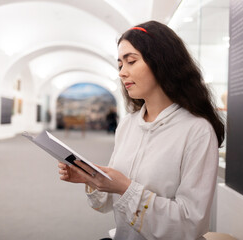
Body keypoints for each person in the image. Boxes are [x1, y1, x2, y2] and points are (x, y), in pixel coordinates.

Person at [58, 20, 224, 240]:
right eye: (120, 65)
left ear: (162, 61)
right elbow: (109, 203)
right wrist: (92, 179)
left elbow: (190, 224)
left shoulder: (197, 130)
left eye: (131, 61)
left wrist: (126, 188)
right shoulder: (128, 124)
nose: (122, 73)